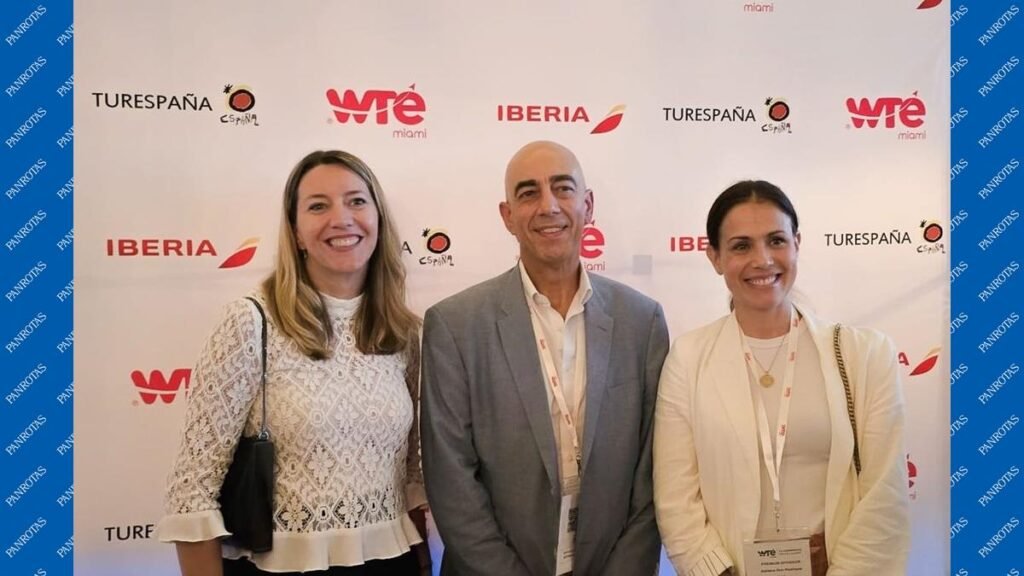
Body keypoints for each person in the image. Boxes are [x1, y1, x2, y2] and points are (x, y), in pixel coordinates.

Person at [156, 150, 431, 576]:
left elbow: (410, 474)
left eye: (357, 201)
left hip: (392, 563)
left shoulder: (401, 333)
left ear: (378, 219)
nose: (341, 219)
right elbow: (191, 491)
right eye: (318, 206)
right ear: (297, 232)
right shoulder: (250, 322)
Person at [420, 140, 669, 576]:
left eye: (563, 188)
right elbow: (451, 479)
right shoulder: (455, 325)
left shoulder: (641, 321)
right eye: (528, 192)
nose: (548, 206)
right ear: (507, 216)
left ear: (587, 206)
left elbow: (654, 471)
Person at [653, 180, 910, 576]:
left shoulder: (865, 354)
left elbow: (885, 493)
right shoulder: (688, 358)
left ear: (796, 245)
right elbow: (676, 498)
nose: (763, 260)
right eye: (741, 246)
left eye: (776, 241)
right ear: (715, 257)